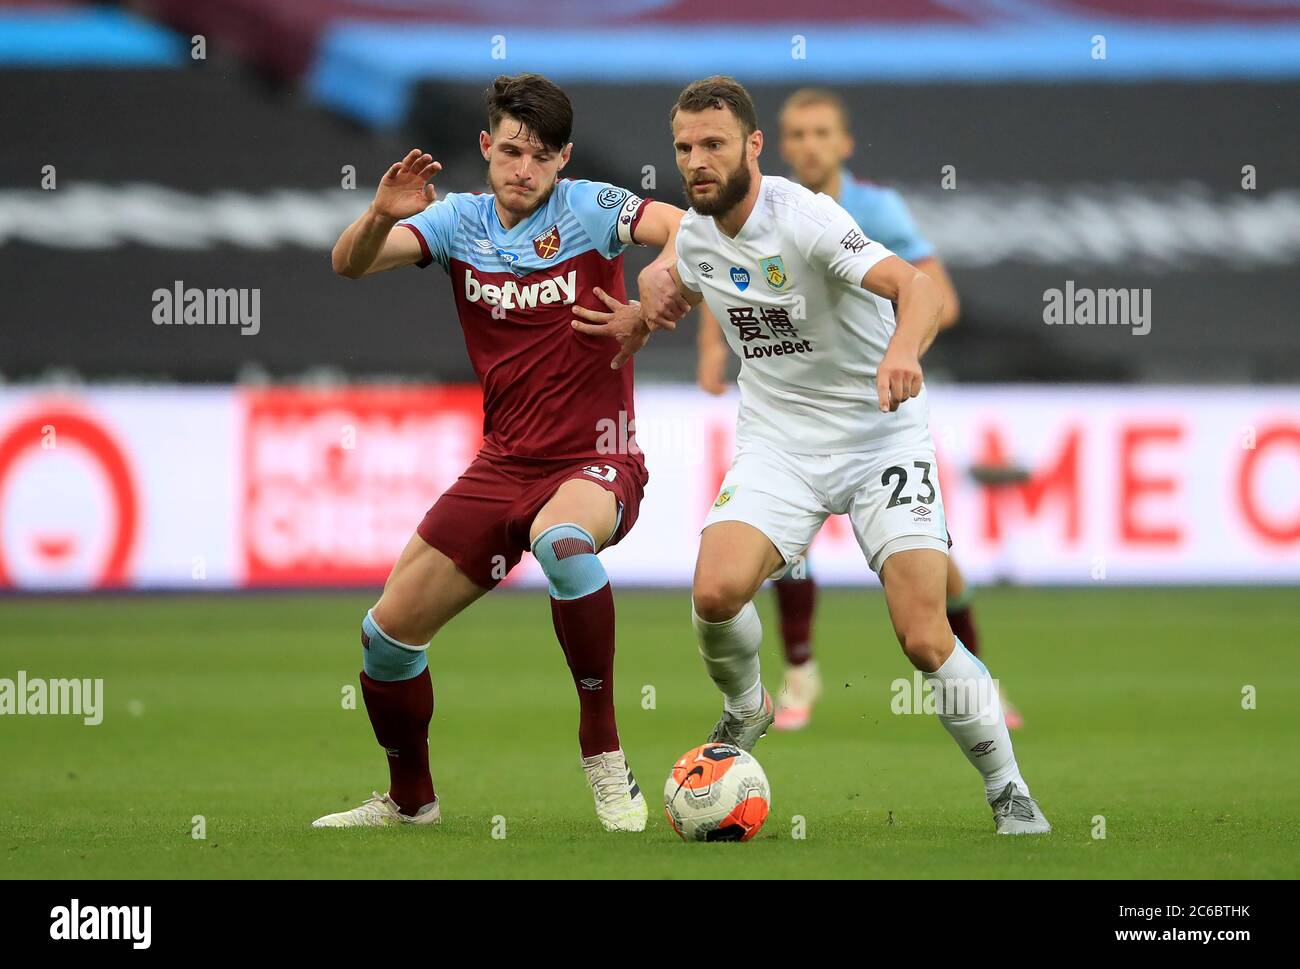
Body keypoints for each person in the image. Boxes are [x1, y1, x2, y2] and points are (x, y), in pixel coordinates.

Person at [575, 76, 1048, 834]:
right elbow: (688, 281)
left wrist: (901, 352)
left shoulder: (806, 218)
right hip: (780, 444)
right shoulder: (694, 235)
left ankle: (1007, 788)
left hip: (879, 435)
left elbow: (918, 288)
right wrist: (641, 313)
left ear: (753, 147)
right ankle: (748, 705)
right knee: (715, 593)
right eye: (685, 148)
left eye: (714, 145)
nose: (697, 161)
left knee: (925, 635)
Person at [314, 73, 689, 833]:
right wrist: (379, 212)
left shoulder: (588, 208)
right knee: (386, 637)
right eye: (512, 151)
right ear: (486, 147)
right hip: (503, 465)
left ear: (564, 160)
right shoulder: (457, 221)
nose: (525, 169)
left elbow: (688, 229)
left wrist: (649, 302)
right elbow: (348, 264)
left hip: (597, 457)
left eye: (542, 156)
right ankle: (410, 801)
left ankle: (605, 757)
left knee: (562, 540)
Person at [695, 86, 1020, 731]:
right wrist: (712, 348)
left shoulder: (873, 209)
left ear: (844, 143)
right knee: (784, 544)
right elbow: (716, 275)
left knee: (936, 568)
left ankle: (979, 679)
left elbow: (939, 298)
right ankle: (800, 674)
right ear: (777, 144)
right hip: (796, 416)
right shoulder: (754, 211)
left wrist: (897, 349)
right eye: (798, 134)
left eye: (822, 133)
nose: (809, 145)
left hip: (885, 404)